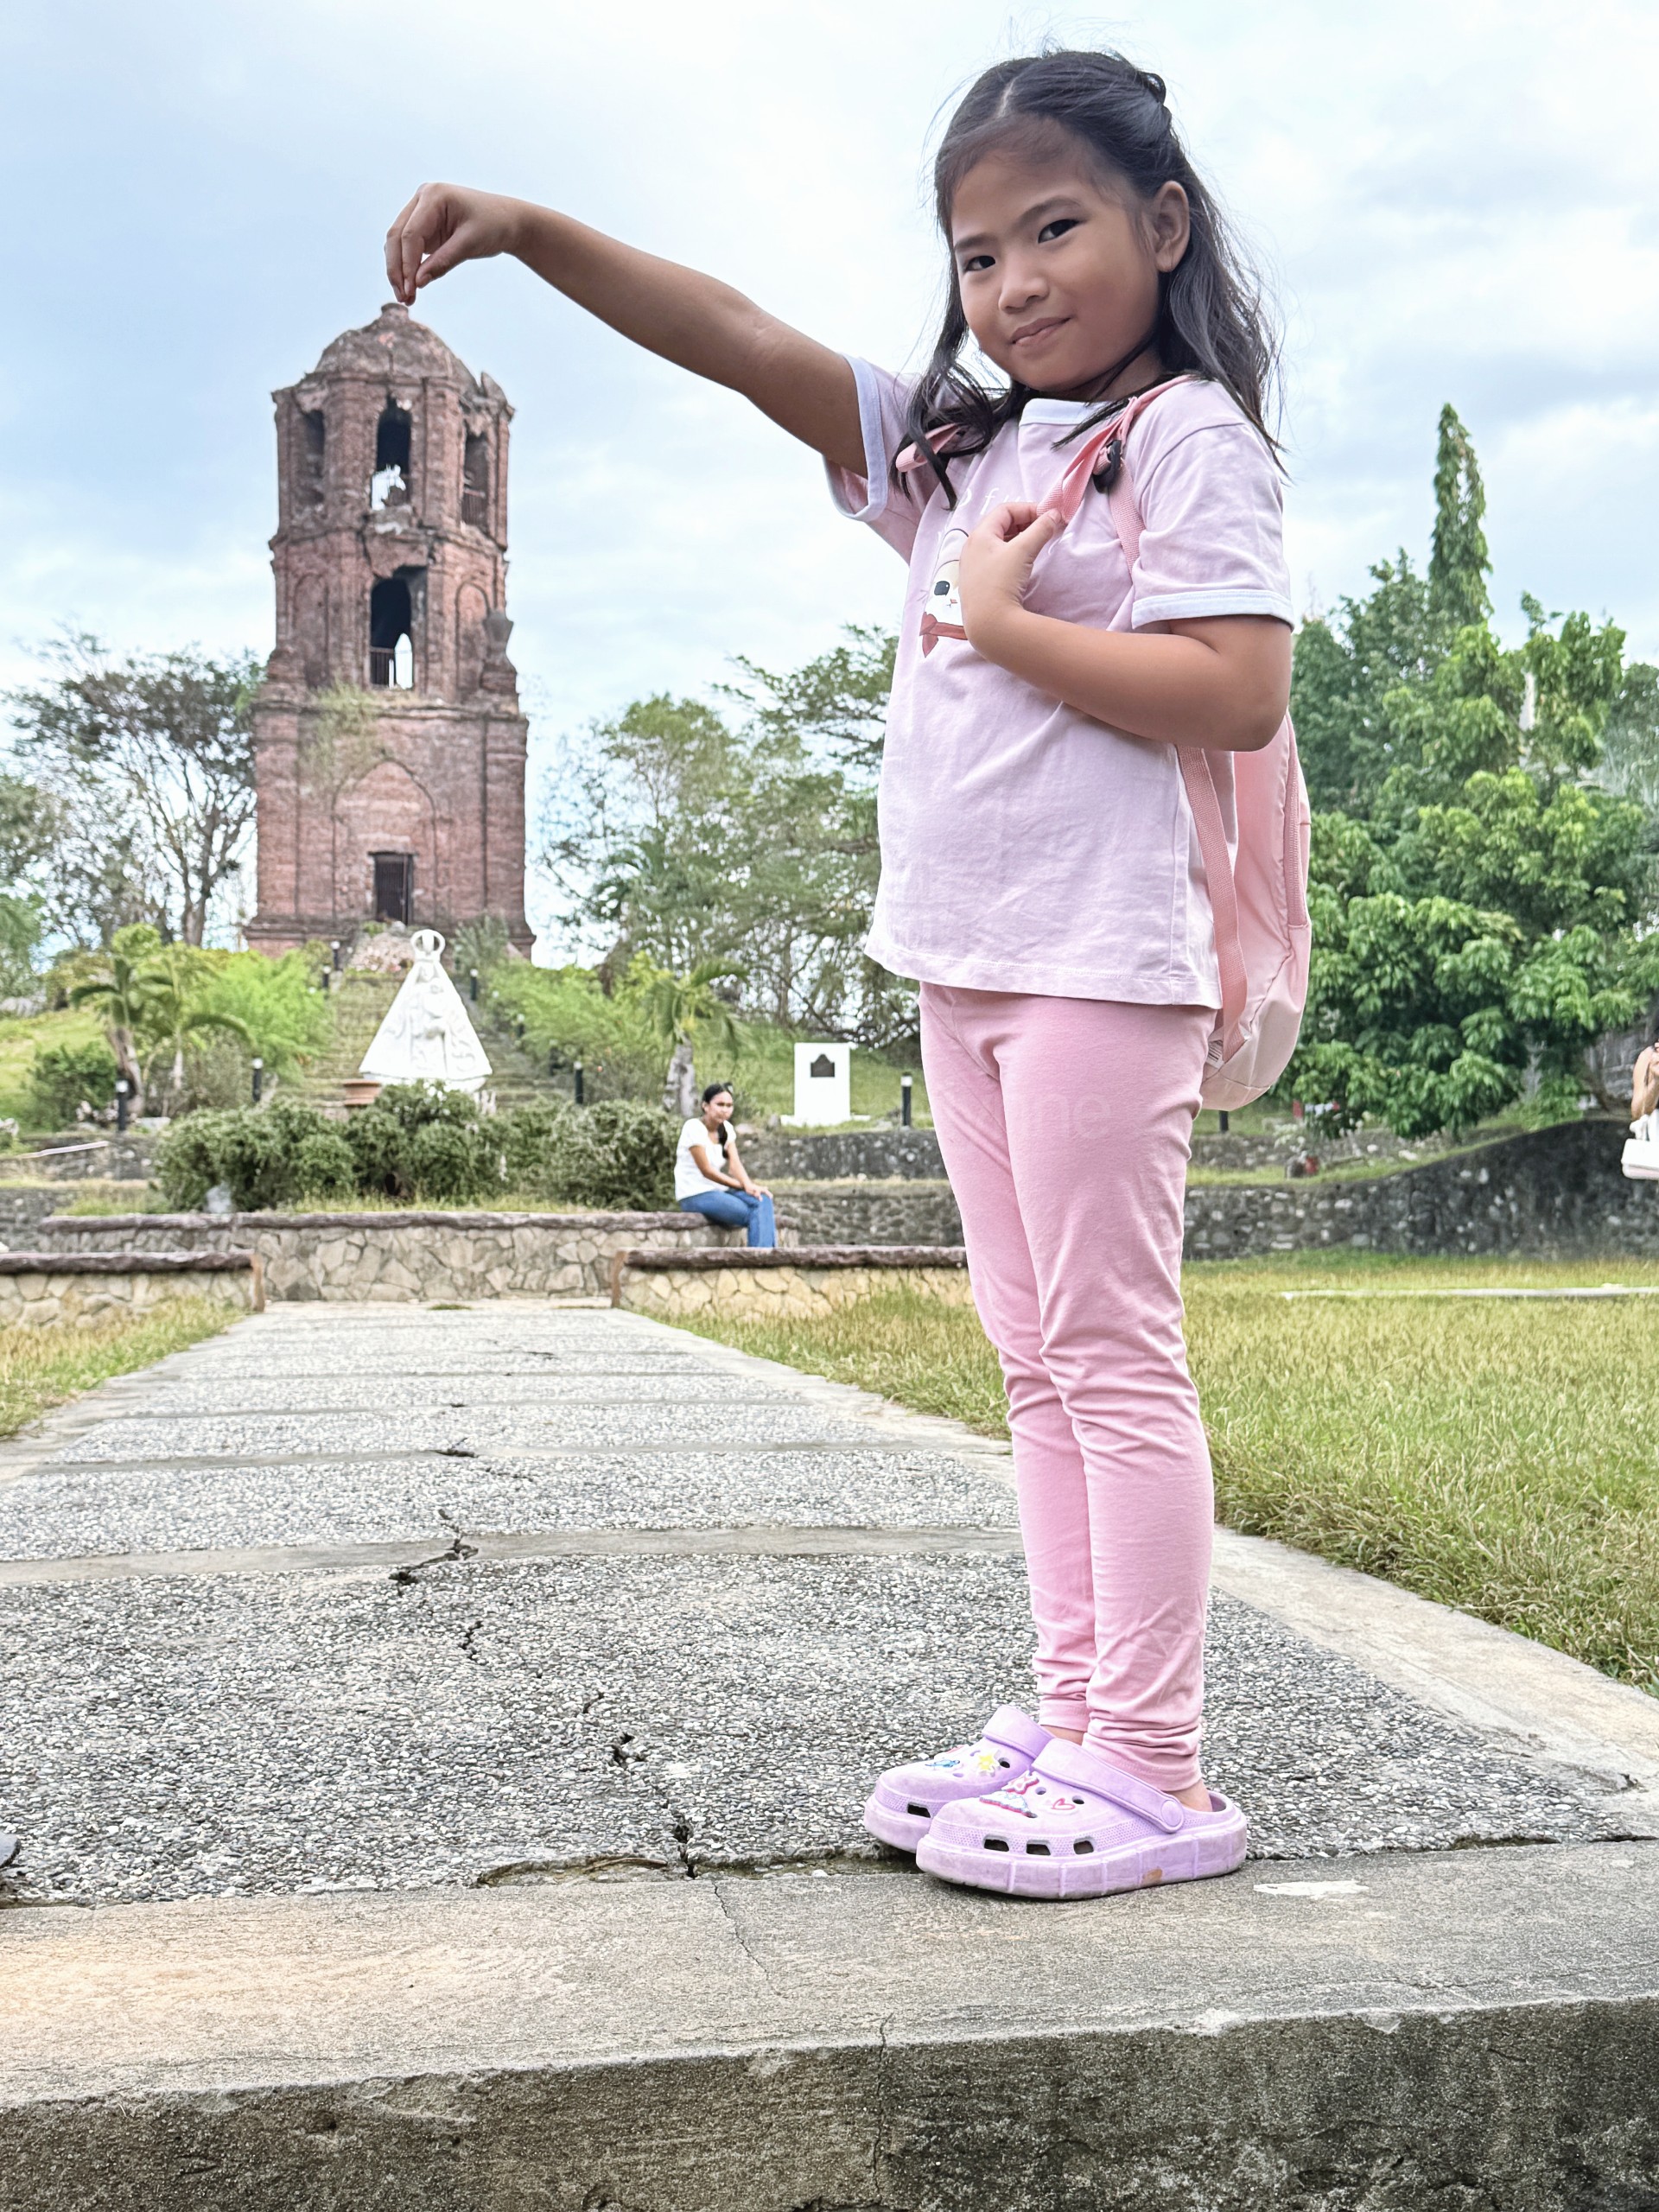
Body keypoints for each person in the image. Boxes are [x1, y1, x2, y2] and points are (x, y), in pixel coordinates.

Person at [384, 42, 1288, 1902]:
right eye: (976, 254)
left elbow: (1238, 684)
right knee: (1030, 1359)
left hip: (1108, 961)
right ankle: (1072, 1712)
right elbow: (735, 335)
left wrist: (1010, 625)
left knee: (1113, 1355)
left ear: (1162, 225)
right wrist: (536, 229)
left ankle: (1158, 1763)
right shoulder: (968, 451)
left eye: (1057, 228)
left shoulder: (1186, 436)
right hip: (964, 964)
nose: (1017, 281)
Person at [673, 1083, 776, 1247]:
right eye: (720, 1104)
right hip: (695, 1194)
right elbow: (707, 1171)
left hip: (718, 1191)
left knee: (762, 1199)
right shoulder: (693, 1127)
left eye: (729, 1105)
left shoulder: (726, 1129)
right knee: (753, 1214)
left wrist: (750, 1185)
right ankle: (761, 1261)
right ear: (705, 1106)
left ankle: (767, 1258)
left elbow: (735, 1165)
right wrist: (743, 1186)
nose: (725, 1109)